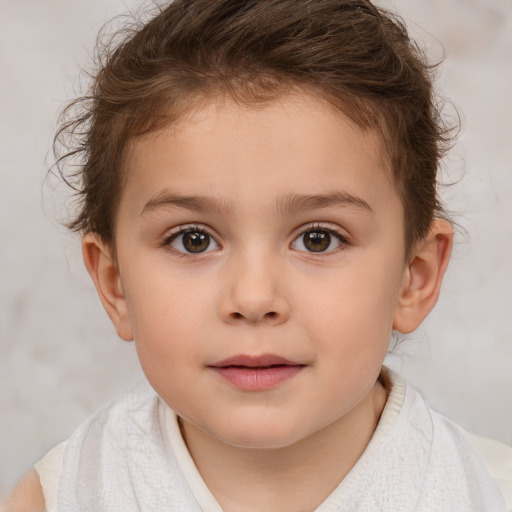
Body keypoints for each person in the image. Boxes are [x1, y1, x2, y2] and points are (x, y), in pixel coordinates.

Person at [5, 0, 511, 510]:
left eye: (318, 238)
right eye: (193, 239)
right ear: (116, 284)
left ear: (414, 278)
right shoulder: (57, 497)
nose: (253, 297)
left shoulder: (487, 492)